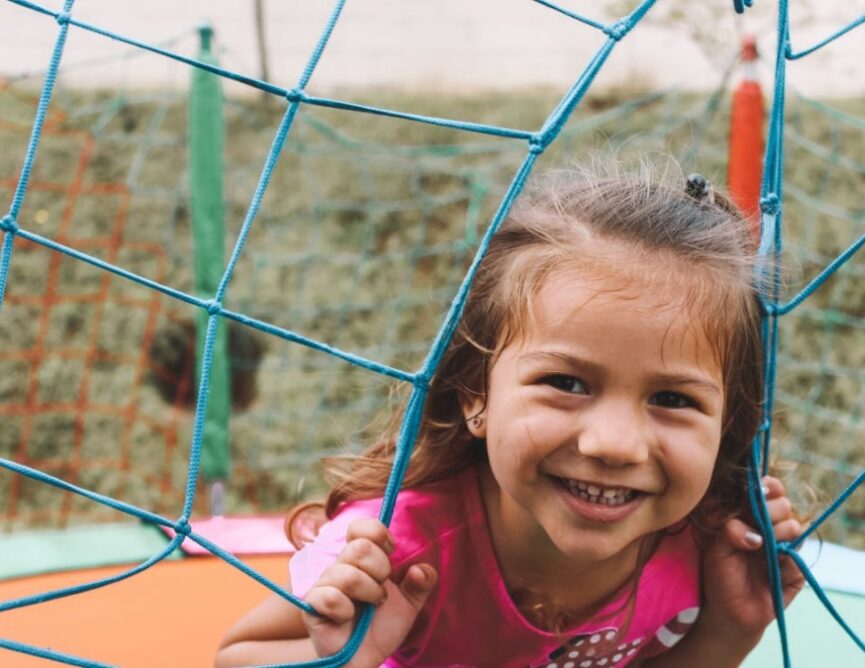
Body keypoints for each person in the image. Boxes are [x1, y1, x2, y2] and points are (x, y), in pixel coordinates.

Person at [216, 163, 804, 667]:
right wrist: (335, 658)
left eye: (672, 399)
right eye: (567, 383)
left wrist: (731, 628)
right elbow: (232, 657)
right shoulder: (390, 549)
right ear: (477, 394)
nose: (615, 444)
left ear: (728, 423)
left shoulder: (704, 543)